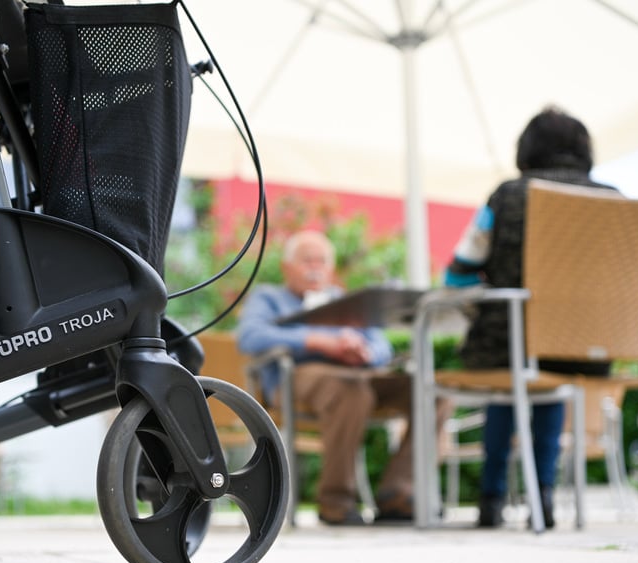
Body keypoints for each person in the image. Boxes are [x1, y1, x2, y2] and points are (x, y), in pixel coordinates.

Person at [444, 106, 615, 529]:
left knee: (514, 374)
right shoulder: (613, 200)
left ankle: (491, 498)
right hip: (587, 347)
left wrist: (479, 306)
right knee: (549, 370)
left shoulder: (506, 195)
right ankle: (545, 499)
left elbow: (457, 273)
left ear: (527, 149)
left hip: (507, 342)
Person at [236, 230, 414, 526]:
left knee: (429, 392)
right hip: (295, 379)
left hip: (356, 375)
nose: (316, 268)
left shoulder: (344, 301)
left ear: (331, 269)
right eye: (307, 261)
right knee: (350, 389)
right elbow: (250, 337)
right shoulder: (269, 298)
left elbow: (383, 345)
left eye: (322, 261)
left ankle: (397, 493)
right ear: (287, 267)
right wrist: (316, 340)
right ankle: (336, 502)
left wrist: (364, 351)